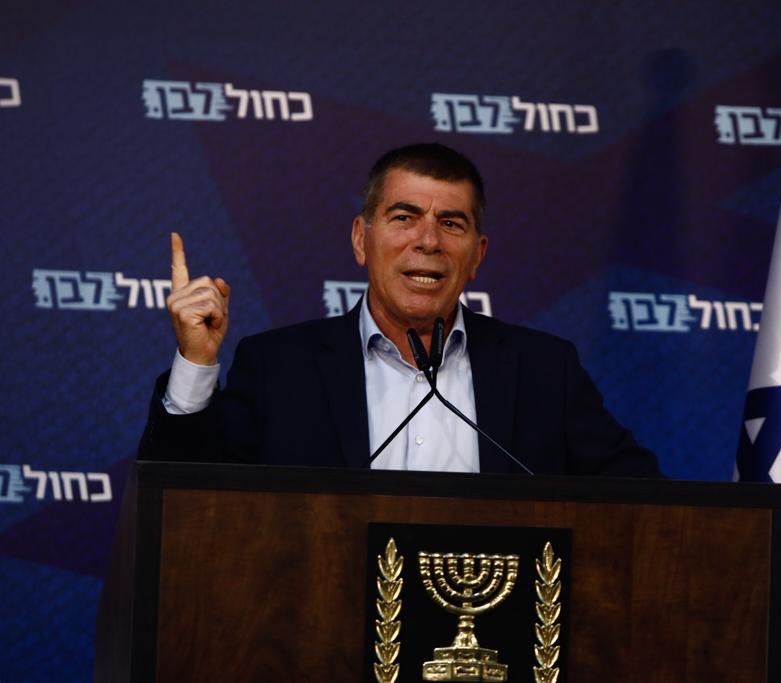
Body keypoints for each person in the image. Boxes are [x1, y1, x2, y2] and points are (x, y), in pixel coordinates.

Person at [139, 143, 660, 476]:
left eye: (451, 224)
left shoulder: (545, 370)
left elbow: (642, 500)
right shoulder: (277, 367)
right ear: (360, 240)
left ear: (477, 256)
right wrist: (196, 362)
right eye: (404, 217)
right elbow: (187, 503)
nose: (428, 241)